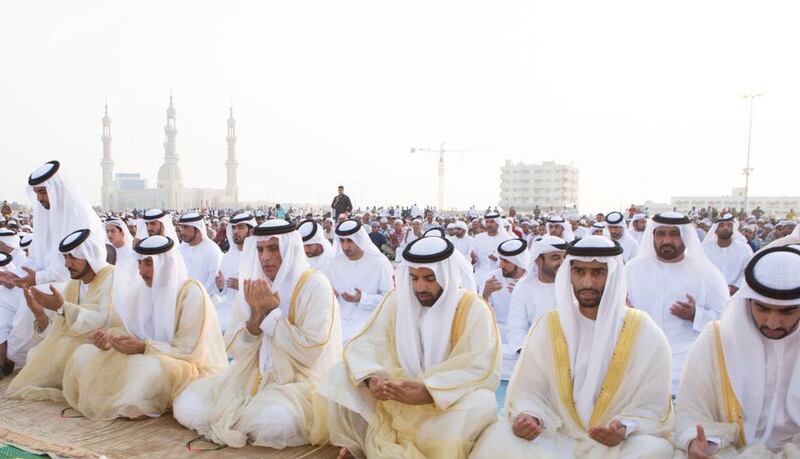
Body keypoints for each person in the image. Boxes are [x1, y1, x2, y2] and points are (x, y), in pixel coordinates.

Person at [471, 237, 674, 459]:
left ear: (614, 275)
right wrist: (530, 417)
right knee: (497, 438)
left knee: (654, 449)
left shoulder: (643, 330)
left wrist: (624, 427)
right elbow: (530, 392)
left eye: (597, 273)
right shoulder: (550, 325)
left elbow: (652, 404)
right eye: (579, 272)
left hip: (616, 444)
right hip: (557, 435)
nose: (587, 283)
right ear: (570, 274)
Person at [319, 237, 501, 459]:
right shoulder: (398, 300)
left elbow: (481, 368)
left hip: (444, 403)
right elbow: (365, 345)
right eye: (414, 278)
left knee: (481, 403)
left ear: (446, 275)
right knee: (340, 376)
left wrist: (430, 391)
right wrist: (372, 379)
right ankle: (363, 442)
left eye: (429, 278)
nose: (420, 287)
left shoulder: (472, 309)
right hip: (395, 397)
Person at [174, 219, 342, 448]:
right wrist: (254, 322)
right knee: (187, 403)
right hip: (249, 377)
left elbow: (310, 352)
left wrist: (272, 315)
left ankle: (252, 415)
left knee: (274, 422)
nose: (265, 257)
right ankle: (245, 413)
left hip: (297, 382)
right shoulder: (253, 284)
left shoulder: (315, 285)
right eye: (260, 249)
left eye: (273, 248)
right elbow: (234, 348)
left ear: (290, 248)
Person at [61, 235, 227, 420]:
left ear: (168, 264)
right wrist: (110, 340)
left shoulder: (191, 293)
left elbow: (190, 349)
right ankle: (121, 401)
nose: (141, 271)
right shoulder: (142, 290)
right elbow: (132, 332)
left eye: (149, 263)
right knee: (84, 353)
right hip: (146, 356)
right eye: (140, 263)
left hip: (187, 365)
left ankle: (134, 402)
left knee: (147, 367)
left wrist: (144, 347)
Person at [674, 245, 800, 458]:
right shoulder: (716, 340)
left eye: (787, 312)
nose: (772, 322)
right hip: (727, 451)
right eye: (762, 308)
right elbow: (690, 410)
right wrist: (694, 441)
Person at [3, 160, 105, 368]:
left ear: (56, 189)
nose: (40, 199)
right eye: (37, 193)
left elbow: (73, 267)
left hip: (77, 284)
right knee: (7, 295)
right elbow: (37, 255)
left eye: (43, 192)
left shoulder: (79, 216)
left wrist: (35, 279)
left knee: (29, 299)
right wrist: (21, 276)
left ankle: (17, 360)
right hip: (46, 278)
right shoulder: (45, 214)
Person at [6, 228, 117, 400]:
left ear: (89, 255)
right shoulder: (75, 284)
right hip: (75, 345)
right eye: (65, 257)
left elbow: (101, 320)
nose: (67, 264)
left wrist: (63, 307)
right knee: (36, 354)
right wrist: (40, 315)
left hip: (105, 349)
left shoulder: (112, 279)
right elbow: (59, 331)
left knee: (75, 355)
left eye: (73, 257)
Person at [625, 212, 730, 393]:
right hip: (638, 356)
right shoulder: (632, 269)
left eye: (674, 234)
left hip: (685, 361)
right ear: (653, 237)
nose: (667, 240)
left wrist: (696, 315)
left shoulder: (707, 274)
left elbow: (726, 320)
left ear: (686, 236)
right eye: (661, 234)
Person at [328, 219, 394, 341]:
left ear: (359, 239)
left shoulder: (378, 263)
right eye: (341, 241)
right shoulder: (334, 262)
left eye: (350, 241)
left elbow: (389, 298)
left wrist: (362, 298)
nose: (345, 247)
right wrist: (331, 294)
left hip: (367, 321)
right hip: (338, 318)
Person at [506, 236, 566, 355]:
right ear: (539, 260)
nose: (562, 262)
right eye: (555, 257)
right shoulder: (523, 288)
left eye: (564, 257)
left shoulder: (571, 285)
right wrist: (527, 353)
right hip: (534, 353)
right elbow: (516, 327)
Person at [481, 238, 529, 380]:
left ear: (519, 262)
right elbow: (482, 314)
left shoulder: (532, 280)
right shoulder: (492, 277)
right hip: (496, 335)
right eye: (501, 259)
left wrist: (523, 295)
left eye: (506, 261)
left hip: (524, 339)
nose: (500, 264)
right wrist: (485, 294)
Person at [214, 212, 255, 332]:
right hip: (228, 307)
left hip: (250, 311)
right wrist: (221, 286)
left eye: (241, 227)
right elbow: (222, 293)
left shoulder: (259, 255)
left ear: (251, 231)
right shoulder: (227, 257)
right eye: (234, 227)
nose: (236, 231)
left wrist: (242, 287)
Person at [701, 213, 753, 295]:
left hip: (737, 294)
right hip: (710, 292)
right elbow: (701, 270)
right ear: (715, 230)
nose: (725, 227)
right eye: (722, 225)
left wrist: (736, 287)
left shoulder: (744, 249)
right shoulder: (705, 249)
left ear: (733, 229)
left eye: (729, 225)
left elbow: (748, 270)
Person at [178, 212, 223, 297]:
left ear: (197, 229)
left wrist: (197, 297)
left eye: (186, 227)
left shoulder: (212, 250)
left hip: (205, 300)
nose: (182, 231)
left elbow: (213, 279)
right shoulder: (180, 250)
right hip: (182, 298)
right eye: (181, 227)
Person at [472, 211, 510, 286]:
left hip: (499, 276)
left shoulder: (506, 239)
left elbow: (510, 261)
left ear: (498, 223)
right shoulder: (478, 238)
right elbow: (474, 259)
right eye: (487, 222)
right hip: (480, 275)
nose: (489, 224)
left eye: (492, 222)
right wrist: (473, 259)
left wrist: (497, 260)